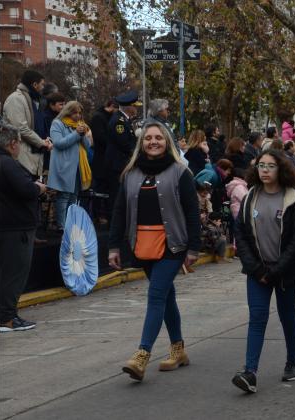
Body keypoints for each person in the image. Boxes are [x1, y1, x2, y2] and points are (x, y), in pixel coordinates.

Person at [108, 121, 201, 381]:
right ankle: (179, 350)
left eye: (158, 137)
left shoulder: (180, 172)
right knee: (166, 297)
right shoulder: (130, 174)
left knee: (156, 293)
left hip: (173, 245)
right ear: (141, 143)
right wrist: (114, 246)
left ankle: (142, 354)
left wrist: (194, 247)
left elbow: (192, 212)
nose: (153, 142)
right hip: (143, 244)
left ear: (167, 141)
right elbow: (119, 212)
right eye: (148, 138)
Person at [231, 149, 295, 393]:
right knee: (257, 318)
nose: (265, 170)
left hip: (286, 272)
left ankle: (293, 361)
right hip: (257, 271)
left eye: (270, 166)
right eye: (261, 165)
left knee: (287, 316)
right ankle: (250, 372)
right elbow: (241, 234)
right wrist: (256, 268)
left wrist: (276, 271)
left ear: (281, 169)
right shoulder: (250, 197)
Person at [0, 124, 47, 332]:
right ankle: (7, 318)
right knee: (14, 273)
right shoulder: (8, 164)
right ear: (12, 144)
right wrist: (38, 188)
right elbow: (25, 189)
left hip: (5, 225)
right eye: (18, 143)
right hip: (15, 227)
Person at [48, 101, 93, 227]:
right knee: (63, 196)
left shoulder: (80, 125)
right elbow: (59, 143)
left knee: (74, 198)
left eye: (79, 113)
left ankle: (70, 225)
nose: (78, 115)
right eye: (75, 113)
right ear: (68, 112)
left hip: (78, 167)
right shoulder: (57, 124)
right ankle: (61, 226)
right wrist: (76, 134)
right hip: (64, 166)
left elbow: (88, 145)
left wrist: (83, 134)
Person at [3, 70, 53, 179]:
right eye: (42, 84)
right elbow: (20, 128)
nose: (43, 88)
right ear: (34, 85)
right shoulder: (16, 99)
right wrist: (41, 142)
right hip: (21, 159)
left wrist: (45, 141)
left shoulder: (33, 100)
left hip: (31, 159)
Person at [105, 91, 142, 222]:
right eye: (135, 106)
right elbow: (125, 144)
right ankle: (114, 226)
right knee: (116, 197)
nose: (136, 108)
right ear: (129, 107)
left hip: (122, 164)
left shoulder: (124, 119)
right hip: (117, 165)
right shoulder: (119, 122)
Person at [89, 99, 119, 224]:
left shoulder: (108, 117)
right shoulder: (98, 118)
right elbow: (100, 137)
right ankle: (99, 215)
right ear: (111, 106)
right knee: (99, 189)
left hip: (108, 159)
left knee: (107, 189)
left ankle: (106, 213)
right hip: (101, 159)